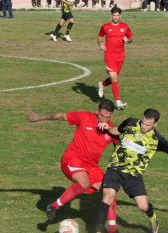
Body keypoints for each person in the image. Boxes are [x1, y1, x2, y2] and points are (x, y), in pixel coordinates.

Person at [96, 108, 168, 233]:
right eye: (143, 122)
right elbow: (116, 130)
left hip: (134, 175)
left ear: (155, 124)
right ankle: (99, 230)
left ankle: (153, 218)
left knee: (143, 206)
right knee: (107, 196)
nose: (143, 126)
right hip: (115, 168)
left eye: (148, 125)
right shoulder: (130, 122)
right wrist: (107, 128)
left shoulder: (157, 139)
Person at [26, 99, 119, 233]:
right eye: (102, 115)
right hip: (73, 158)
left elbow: (123, 146)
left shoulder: (112, 130)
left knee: (110, 194)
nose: (104, 119)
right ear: (97, 111)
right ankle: (53, 206)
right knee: (84, 183)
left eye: (108, 117)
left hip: (92, 166)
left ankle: (112, 230)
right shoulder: (84, 117)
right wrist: (39, 117)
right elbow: (61, 116)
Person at [97, 5, 133, 110]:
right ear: (111, 16)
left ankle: (102, 84)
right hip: (109, 56)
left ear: (120, 16)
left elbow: (131, 38)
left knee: (114, 78)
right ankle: (118, 102)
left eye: (117, 15)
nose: (116, 17)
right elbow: (99, 36)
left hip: (120, 56)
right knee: (114, 78)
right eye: (114, 15)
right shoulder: (105, 27)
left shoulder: (125, 26)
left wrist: (128, 40)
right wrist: (100, 44)